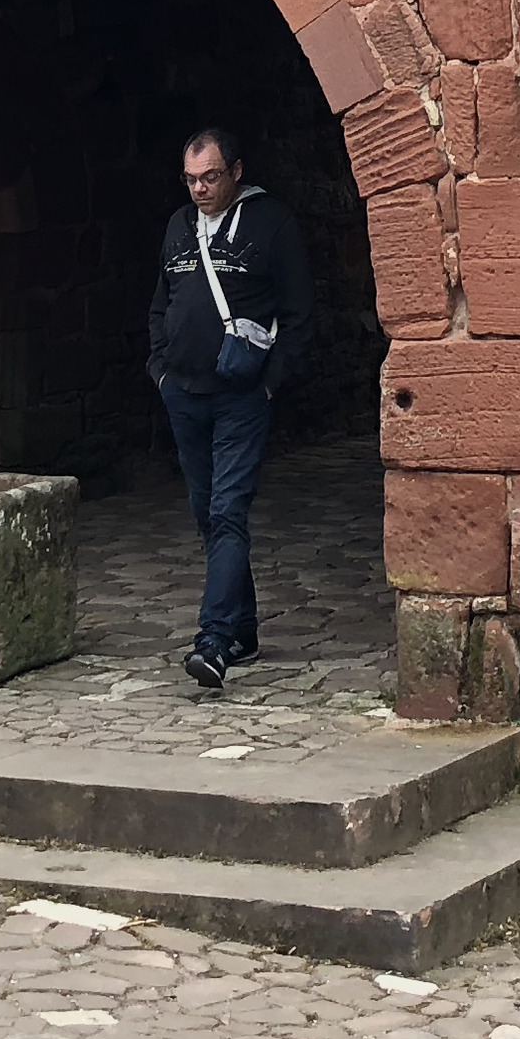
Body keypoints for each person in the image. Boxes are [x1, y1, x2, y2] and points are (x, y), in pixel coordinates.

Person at [145, 126, 310, 690]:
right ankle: (242, 627)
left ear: (235, 172)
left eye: (210, 177)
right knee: (204, 512)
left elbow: (298, 312)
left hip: (241, 396)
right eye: (191, 179)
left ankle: (213, 641)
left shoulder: (272, 225)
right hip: (184, 393)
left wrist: (271, 383)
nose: (200, 189)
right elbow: (160, 303)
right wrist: (160, 370)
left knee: (227, 512)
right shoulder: (178, 227)